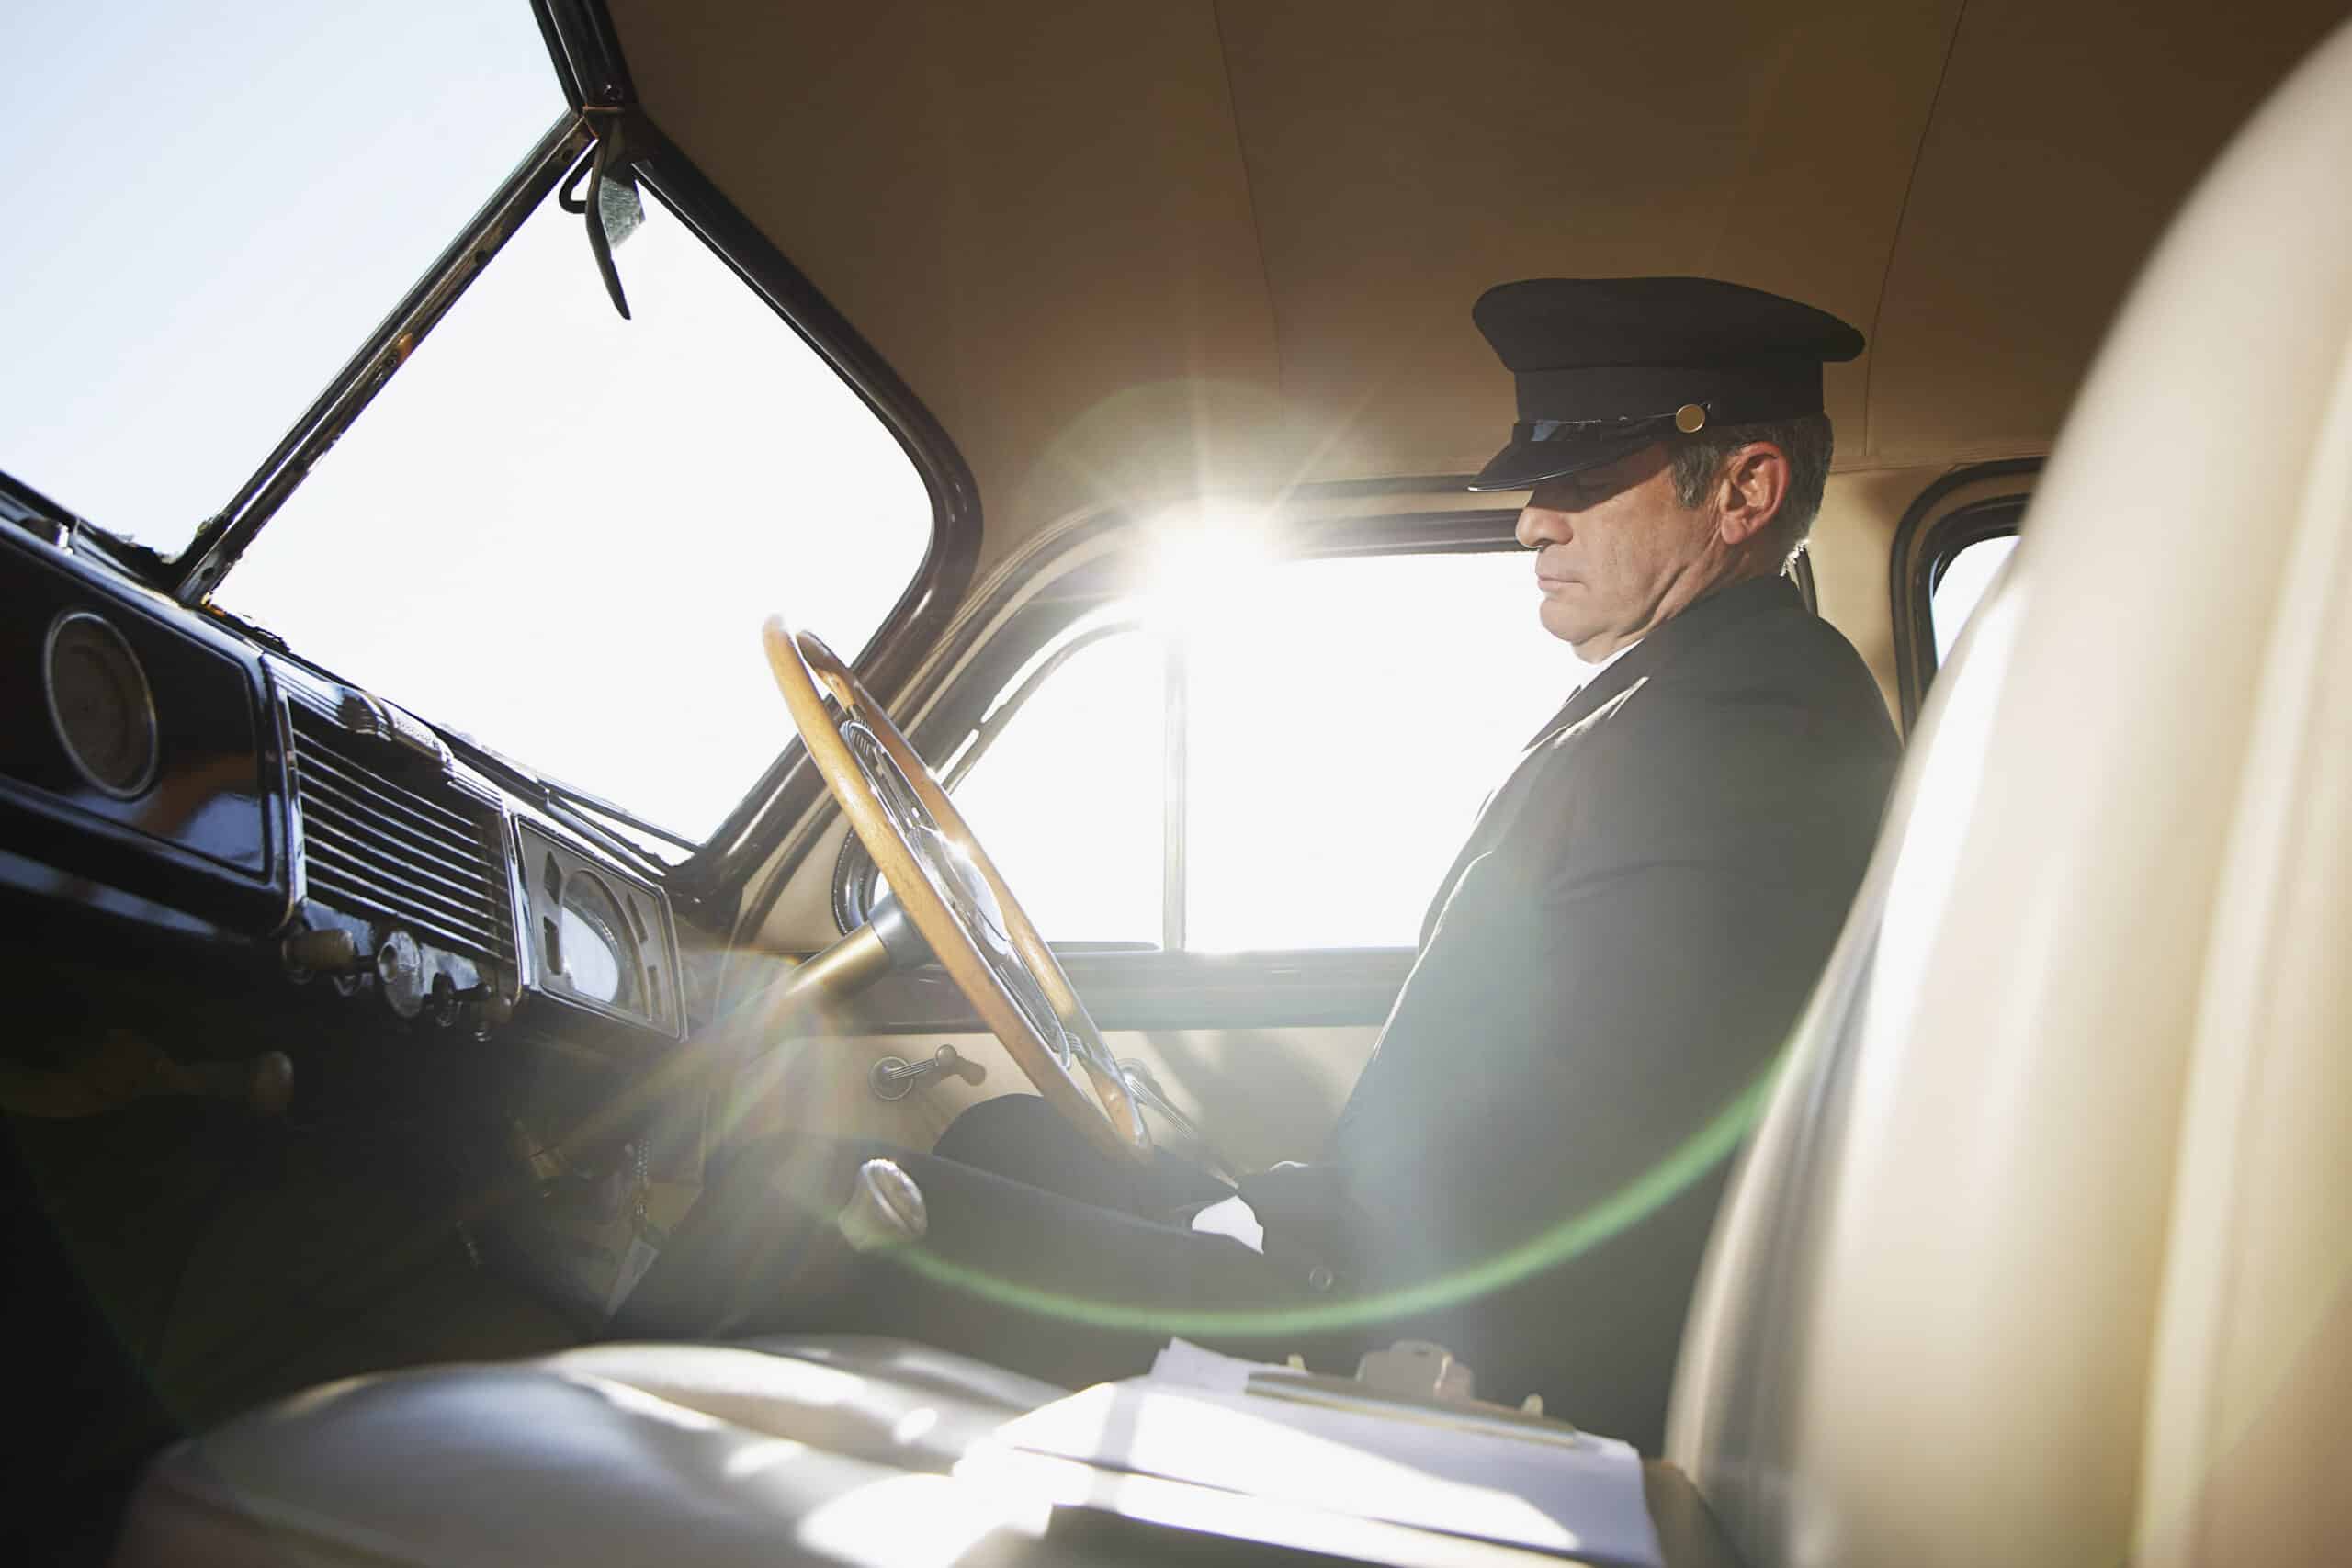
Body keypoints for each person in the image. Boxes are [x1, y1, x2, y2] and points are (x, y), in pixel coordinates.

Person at [616, 277, 1901, 1454]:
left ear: (1744, 491)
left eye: (1589, 475)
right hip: (1382, 1269)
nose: (1531, 520)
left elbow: (1591, 1167)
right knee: (1011, 1134)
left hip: (1441, 1352)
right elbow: (1537, 1080)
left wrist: (1252, 1242)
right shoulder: (1698, 693)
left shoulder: (1756, 727)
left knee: (824, 1207)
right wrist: (1253, 1204)